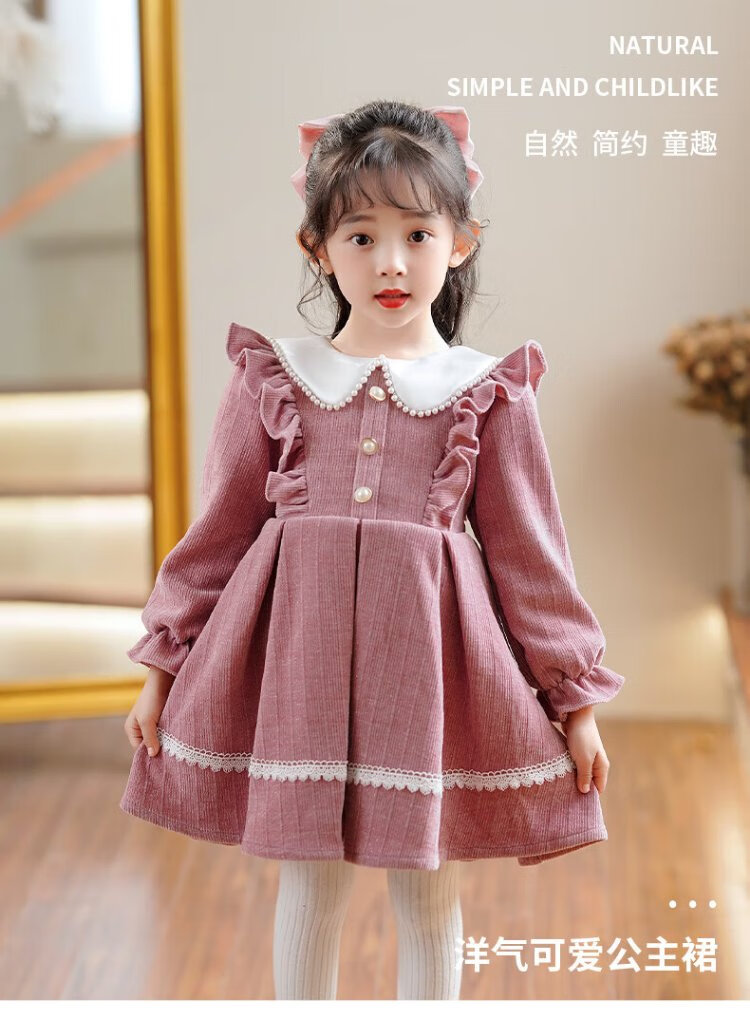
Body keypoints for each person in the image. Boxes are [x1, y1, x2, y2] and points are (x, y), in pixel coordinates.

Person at [122, 99, 626, 1000]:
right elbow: (218, 537)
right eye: (360, 236)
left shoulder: (487, 391)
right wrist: (162, 667)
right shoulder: (275, 379)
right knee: (308, 886)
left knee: (426, 893)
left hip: (427, 677)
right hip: (299, 671)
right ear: (317, 247)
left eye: (417, 234)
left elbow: (532, 560)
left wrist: (575, 702)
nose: (391, 262)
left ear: (460, 242)